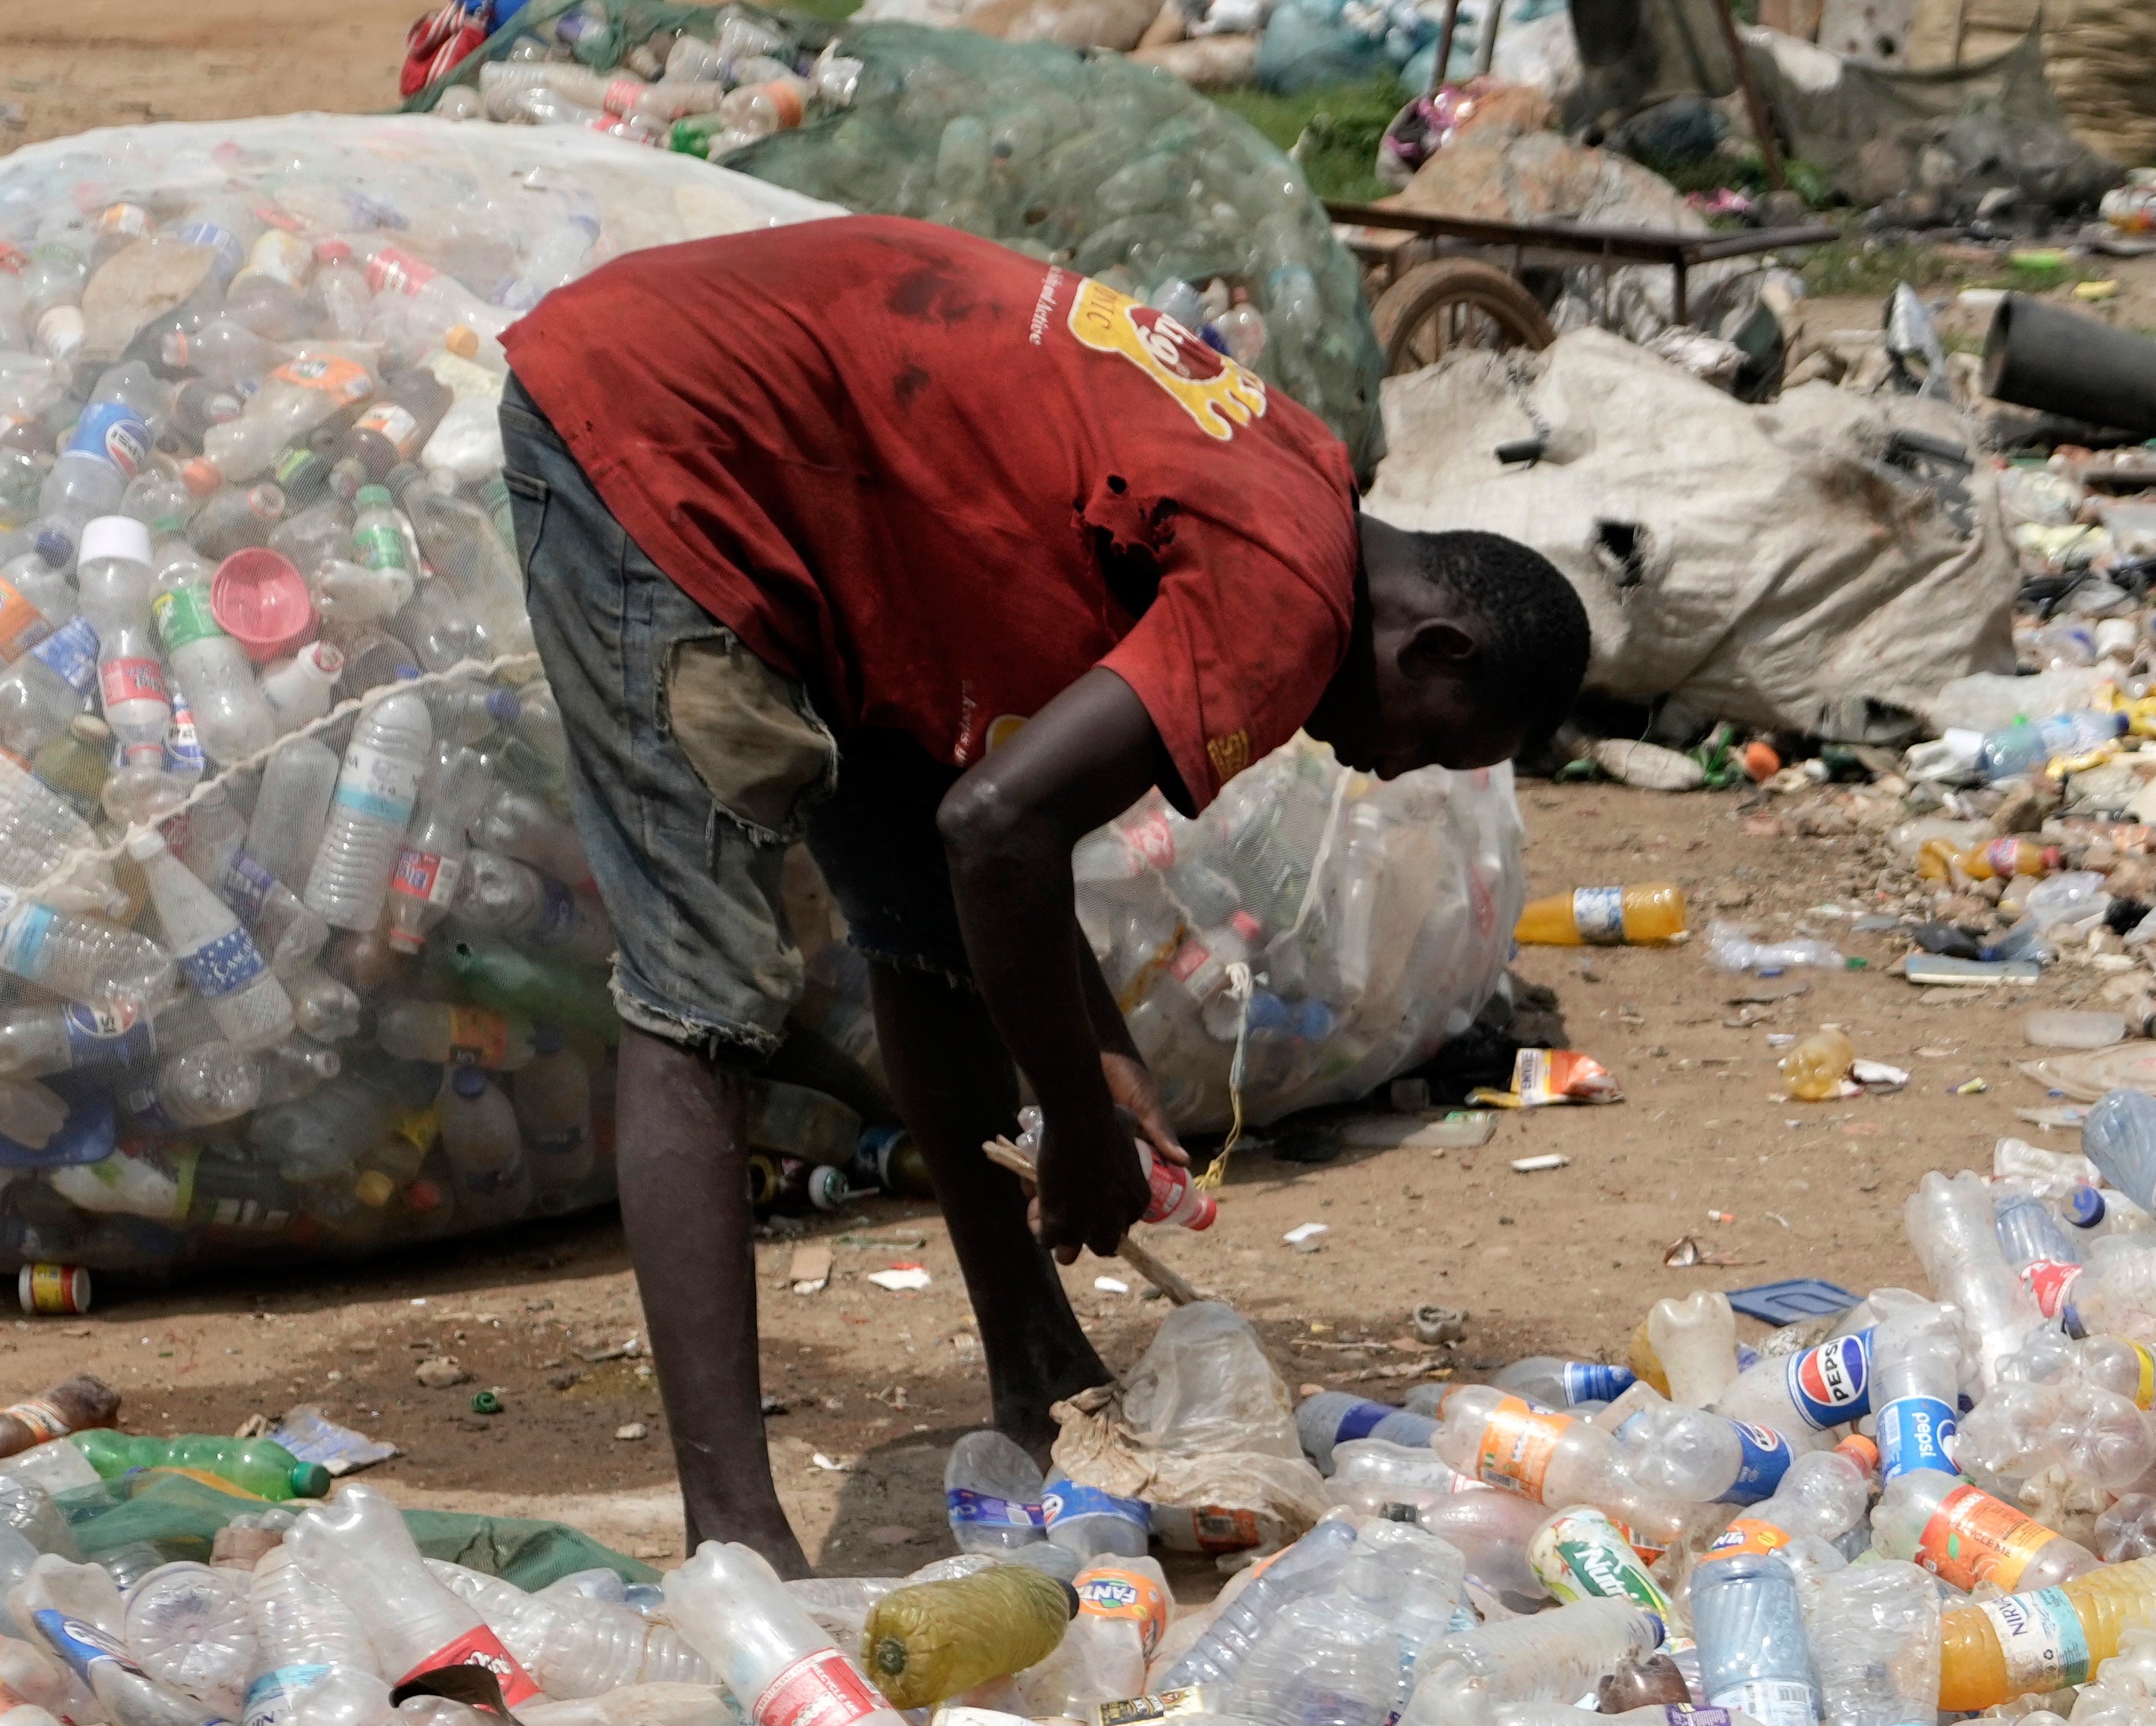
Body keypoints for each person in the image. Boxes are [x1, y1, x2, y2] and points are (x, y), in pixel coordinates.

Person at [497, 216, 1593, 1562]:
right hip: (665, 443)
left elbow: (980, 837)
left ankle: (1039, 1376)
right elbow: (998, 825)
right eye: (1427, 738)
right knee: (701, 993)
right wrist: (1072, 1120)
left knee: (922, 935)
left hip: (814, 481)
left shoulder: (1303, 483)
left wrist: (1101, 1053)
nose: (1384, 761)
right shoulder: (1291, 604)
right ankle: (739, 1542)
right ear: (1435, 642)